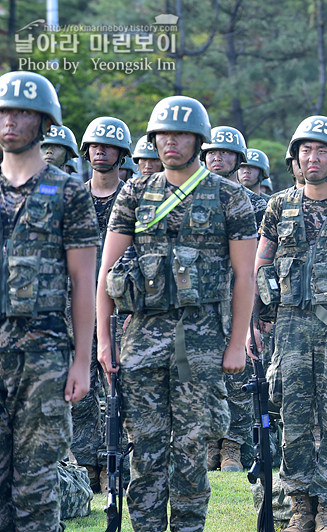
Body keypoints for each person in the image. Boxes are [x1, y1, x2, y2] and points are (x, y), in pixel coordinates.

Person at [96, 95, 257, 531]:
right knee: (144, 446)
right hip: (140, 339)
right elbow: (108, 271)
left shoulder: (230, 197)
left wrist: (236, 342)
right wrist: (104, 343)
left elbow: (245, 276)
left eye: (182, 134)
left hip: (200, 343)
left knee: (190, 448)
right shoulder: (134, 192)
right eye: (164, 134)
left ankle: (188, 527)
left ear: (198, 139)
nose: (171, 142)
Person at [254, 115, 327, 532]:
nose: (313, 157)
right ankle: (300, 505)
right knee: (293, 413)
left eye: (322, 150)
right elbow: (262, 263)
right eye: (306, 149)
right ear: (294, 157)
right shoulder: (278, 205)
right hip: (288, 326)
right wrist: (258, 320)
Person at [0, 71, 99, 532]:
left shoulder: (69, 191)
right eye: (4, 111)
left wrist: (82, 361)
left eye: (22, 112)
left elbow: (83, 280)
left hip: (44, 353)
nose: (10, 122)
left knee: (36, 485)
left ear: (44, 123)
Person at [200, 125, 266, 473]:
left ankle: (234, 447)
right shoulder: (192, 198)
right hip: (202, 302)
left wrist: (262, 311)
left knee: (240, 378)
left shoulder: (259, 206)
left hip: (241, 300)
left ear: (238, 159)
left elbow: (267, 262)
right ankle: (210, 443)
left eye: (225, 152)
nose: (217, 157)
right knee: (205, 374)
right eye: (211, 151)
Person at [72, 116, 132, 490]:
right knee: (81, 392)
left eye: (108, 146)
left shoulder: (134, 199)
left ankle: (119, 466)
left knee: (121, 389)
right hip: (76, 307)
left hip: (121, 308)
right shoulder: (74, 197)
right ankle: (86, 465)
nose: (100, 150)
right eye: (94, 145)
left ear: (121, 153)